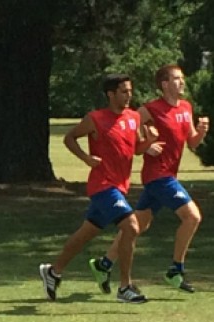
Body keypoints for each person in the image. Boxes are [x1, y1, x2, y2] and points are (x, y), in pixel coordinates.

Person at [39, 74, 157, 303]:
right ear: (110, 94)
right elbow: (70, 137)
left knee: (86, 234)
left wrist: (148, 141)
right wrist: (86, 157)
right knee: (131, 227)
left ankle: (53, 271)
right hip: (103, 185)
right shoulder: (95, 118)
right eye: (123, 91)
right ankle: (125, 288)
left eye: (130, 91)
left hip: (120, 186)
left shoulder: (134, 118)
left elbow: (135, 149)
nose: (128, 95)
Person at [92, 64, 209, 293]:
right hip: (158, 176)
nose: (182, 82)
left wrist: (201, 131)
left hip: (167, 176)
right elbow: (128, 129)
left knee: (138, 226)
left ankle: (103, 264)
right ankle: (175, 269)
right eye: (177, 79)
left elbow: (192, 142)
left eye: (182, 78)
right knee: (193, 217)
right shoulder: (151, 109)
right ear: (164, 84)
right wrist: (146, 145)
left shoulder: (186, 108)